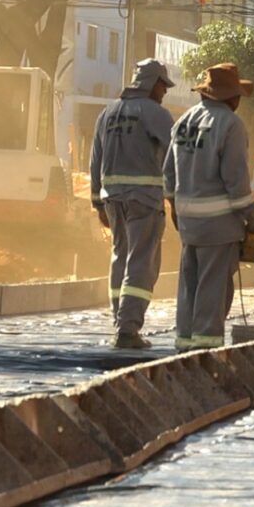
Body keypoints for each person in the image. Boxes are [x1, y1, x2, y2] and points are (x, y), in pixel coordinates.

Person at [163, 63, 254, 350]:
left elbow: (169, 174)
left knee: (190, 285)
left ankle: (183, 343)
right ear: (231, 97)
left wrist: (176, 210)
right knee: (213, 288)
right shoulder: (230, 125)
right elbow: (235, 181)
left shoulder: (183, 121)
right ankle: (204, 349)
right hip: (219, 225)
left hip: (188, 224)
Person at [89, 59, 175, 349]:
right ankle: (128, 329)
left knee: (120, 257)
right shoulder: (156, 114)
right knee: (141, 262)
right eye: (163, 86)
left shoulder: (107, 113)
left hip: (113, 200)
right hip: (145, 200)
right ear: (153, 84)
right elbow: (176, 154)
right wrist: (176, 194)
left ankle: (120, 320)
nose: (165, 92)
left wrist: (96, 202)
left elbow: (95, 160)